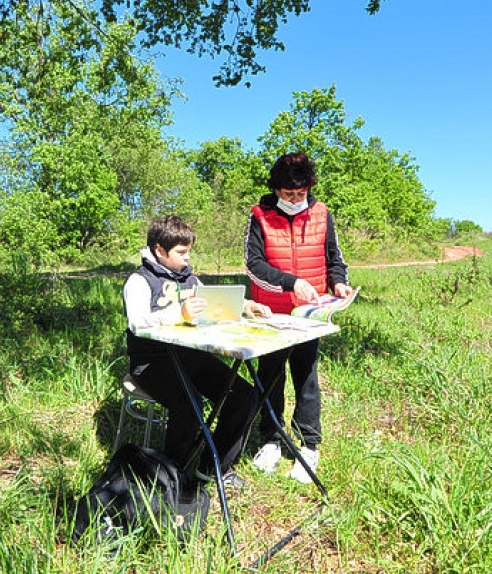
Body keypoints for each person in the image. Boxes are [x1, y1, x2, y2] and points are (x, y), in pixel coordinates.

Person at [123, 215, 269, 489]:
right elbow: (137, 322)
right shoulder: (139, 281)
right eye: (181, 252)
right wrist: (178, 313)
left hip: (191, 356)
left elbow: (215, 303)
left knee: (245, 396)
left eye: (189, 251)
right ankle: (170, 478)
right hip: (152, 362)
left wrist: (244, 306)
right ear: (159, 250)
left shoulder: (190, 279)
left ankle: (215, 469)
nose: (187, 258)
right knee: (190, 407)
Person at [245, 152, 354, 483]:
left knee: (306, 377)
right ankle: (272, 440)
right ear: (276, 189)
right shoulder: (259, 215)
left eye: (301, 194)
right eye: (289, 194)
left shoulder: (322, 213)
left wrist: (339, 283)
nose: (296, 200)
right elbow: (254, 265)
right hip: (270, 313)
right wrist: (291, 282)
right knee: (270, 376)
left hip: (310, 313)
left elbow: (335, 258)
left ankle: (309, 445)